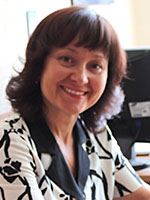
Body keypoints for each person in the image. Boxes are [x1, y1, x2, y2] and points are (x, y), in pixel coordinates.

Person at [0, 6, 150, 200]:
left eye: (95, 65)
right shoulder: (9, 139)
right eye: (67, 59)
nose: (81, 78)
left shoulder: (96, 134)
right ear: (40, 65)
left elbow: (140, 194)